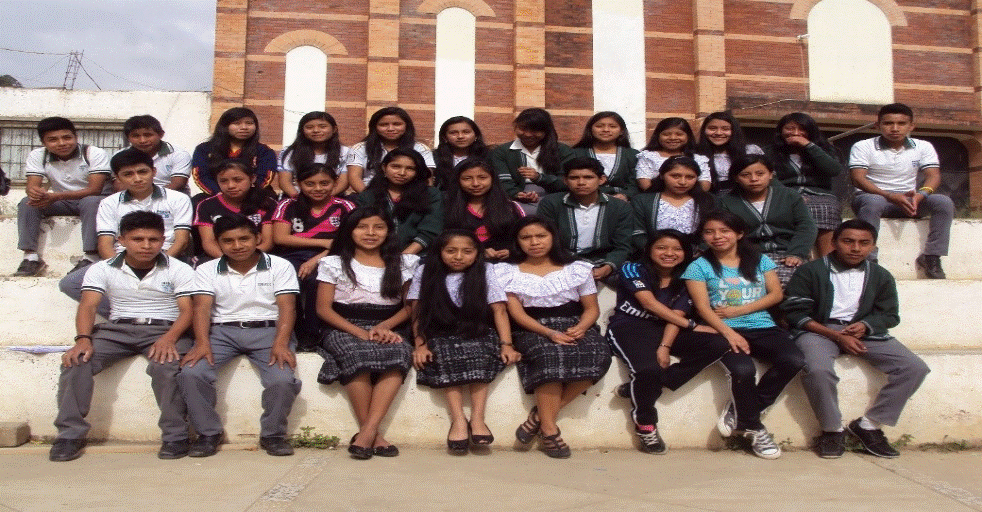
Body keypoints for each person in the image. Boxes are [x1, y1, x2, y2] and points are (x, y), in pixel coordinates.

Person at [50, 211, 195, 462]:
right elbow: (88, 305)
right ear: (122, 240)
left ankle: (176, 436)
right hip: (117, 329)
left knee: (166, 367)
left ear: (163, 241)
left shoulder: (179, 269)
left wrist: (170, 338)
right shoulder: (102, 268)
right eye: (138, 239)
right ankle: (69, 435)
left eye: (153, 239)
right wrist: (82, 338)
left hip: (165, 329)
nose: (146, 246)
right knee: (76, 362)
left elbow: (188, 310)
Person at [782, 219, 929, 459]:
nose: (856, 248)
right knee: (817, 369)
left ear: (873, 246)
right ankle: (832, 430)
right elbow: (795, 314)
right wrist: (836, 336)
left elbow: (890, 315)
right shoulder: (811, 270)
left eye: (864, 243)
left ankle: (869, 426)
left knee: (914, 368)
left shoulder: (880, 275)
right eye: (848, 241)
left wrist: (866, 325)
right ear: (834, 242)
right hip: (820, 330)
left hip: (862, 331)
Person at [682, 210, 805, 460]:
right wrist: (729, 333)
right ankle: (754, 428)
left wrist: (739, 310)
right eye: (709, 232)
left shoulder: (759, 260)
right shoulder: (698, 266)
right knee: (743, 370)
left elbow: (776, 295)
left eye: (724, 231)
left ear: (739, 234)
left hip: (763, 325)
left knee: (793, 360)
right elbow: (703, 308)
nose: (717, 236)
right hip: (722, 329)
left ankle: (743, 410)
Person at [179, 214, 302, 458]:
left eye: (244, 239)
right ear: (218, 243)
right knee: (191, 373)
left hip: (269, 330)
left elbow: (287, 307)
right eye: (228, 241)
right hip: (221, 332)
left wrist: (281, 343)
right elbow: (201, 308)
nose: (237, 246)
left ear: (258, 238)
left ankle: (273, 435)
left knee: (282, 379)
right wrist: (202, 342)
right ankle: (208, 433)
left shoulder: (280, 265)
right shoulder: (206, 269)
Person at [495, 216, 612, 458]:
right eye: (526, 237)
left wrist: (581, 327)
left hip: (574, 324)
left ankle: (538, 417)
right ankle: (549, 430)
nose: (534, 242)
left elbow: (592, 308)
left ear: (553, 237)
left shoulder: (577, 268)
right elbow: (516, 313)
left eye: (541, 236)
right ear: (517, 241)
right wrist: (549, 332)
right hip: (532, 327)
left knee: (597, 353)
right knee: (548, 356)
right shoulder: (507, 271)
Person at [607, 231, 730, 453]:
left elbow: (677, 315)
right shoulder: (632, 269)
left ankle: (649, 384)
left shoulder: (688, 277)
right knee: (647, 370)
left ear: (686, 253)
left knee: (718, 343)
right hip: (629, 327)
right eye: (661, 248)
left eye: (677, 249)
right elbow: (650, 304)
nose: (669, 253)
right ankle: (646, 426)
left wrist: (665, 346)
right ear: (649, 250)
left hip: (668, 328)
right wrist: (693, 326)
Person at [315, 207, 419, 459]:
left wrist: (384, 327)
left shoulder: (403, 263)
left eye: (378, 227)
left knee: (398, 354)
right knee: (357, 355)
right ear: (349, 231)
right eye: (362, 227)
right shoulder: (334, 263)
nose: (370, 233)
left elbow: (409, 307)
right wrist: (359, 332)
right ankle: (374, 435)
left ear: (389, 231)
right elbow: (323, 309)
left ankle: (367, 431)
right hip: (343, 324)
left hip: (388, 324)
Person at [409, 230, 521, 454]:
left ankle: (478, 418)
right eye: (451, 251)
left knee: (481, 351)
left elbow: (499, 309)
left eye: (467, 251)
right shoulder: (425, 271)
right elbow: (417, 311)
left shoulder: (486, 270)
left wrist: (506, 344)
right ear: (440, 252)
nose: (458, 257)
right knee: (444, 352)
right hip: (440, 330)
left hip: (476, 329)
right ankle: (458, 419)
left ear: (477, 253)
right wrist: (420, 344)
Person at [58, 148, 193, 318]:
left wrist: (158, 264)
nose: (137, 179)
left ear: (154, 171)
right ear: (118, 178)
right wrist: (121, 269)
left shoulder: (178, 199)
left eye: (142, 172)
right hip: (124, 257)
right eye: (128, 174)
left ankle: (157, 317)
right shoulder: (109, 203)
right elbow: (105, 243)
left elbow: (181, 241)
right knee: (70, 283)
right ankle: (126, 317)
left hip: (167, 256)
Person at [849, 103, 953, 279]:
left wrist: (920, 195)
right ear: (878, 125)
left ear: (911, 126)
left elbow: (933, 176)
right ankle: (869, 259)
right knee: (873, 201)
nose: (895, 128)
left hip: (908, 201)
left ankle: (932, 257)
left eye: (901, 123)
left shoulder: (923, 146)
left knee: (943, 202)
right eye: (888, 123)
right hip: (872, 198)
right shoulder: (863, 146)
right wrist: (889, 195)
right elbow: (858, 178)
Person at [272, 163, 355, 349]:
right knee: (289, 279)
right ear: (299, 183)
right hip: (293, 254)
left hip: (332, 255)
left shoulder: (345, 206)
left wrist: (316, 259)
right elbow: (280, 237)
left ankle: (312, 332)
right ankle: (294, 329)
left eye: (324, 183)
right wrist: (322, 242)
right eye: (310, 184)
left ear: (335, 182)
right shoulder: (288, 204)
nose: (317, 188)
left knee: (316, 280)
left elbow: (348, 240)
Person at [15, 116, 111, 276]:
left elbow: (95, 189)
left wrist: (56, 196)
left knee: (91, 201)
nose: (62, 143)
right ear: (43, 142)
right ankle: (30, 257)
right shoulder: (38, 155)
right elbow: (32, 185)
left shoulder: (93, 153)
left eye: (67, 137)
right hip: (63, 201)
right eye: (53, 140)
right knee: (28, 202)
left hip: (95, 201)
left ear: (76, 137)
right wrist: (35, 192)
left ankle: (91, 256)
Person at [718, 154, 816, 287]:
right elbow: (723, 230)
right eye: (745, 175)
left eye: (760, 174)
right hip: (749, 256)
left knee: (792, 283)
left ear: (770, 174)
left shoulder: (789, 196)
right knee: (748, 286)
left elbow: (807, 226)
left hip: (787, 254)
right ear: (736, 178)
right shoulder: (727, 202)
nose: (754, 179)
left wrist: (796, 253)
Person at [535, 157, 634, 282]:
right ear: (565, 180)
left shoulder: (620, 207)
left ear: (601, 179)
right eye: (574, 178)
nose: (581, 182)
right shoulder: (551, 203)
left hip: (604, 261)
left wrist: (608, 267)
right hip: (563, 261)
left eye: (588, 177)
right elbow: (546, 239)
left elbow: (623, 246)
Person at [767, 112, 845, 256]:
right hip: (784, 194)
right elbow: (769, 178)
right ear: (781, 131)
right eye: (790, 128)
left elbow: (834, 170)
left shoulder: (825, 150)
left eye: (802, 129)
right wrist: (790, 195)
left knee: (827, 208)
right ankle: (797, 256)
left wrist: (809, 146)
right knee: (792, 209)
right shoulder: (770, 152)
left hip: (820, 195)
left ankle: (827, 260)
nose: (796, 133)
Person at [356, 148, 443, 254]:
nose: (402, 173)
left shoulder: (431, 194)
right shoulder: (368, 196)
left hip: (418, 256)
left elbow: (431, 229)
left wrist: (405, 257)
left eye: (410, 168)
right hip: (376, 255)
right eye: (395, 167)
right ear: (384, 167)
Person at [489, 108, 575, 213]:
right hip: (513, 197)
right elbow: (502, 181)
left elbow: (567, 182)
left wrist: (539, 178)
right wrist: (517, 194)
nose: (528, 134)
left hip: (555, 196)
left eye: (535, 130)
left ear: (546, 131)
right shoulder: (503, 151)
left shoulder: (562, 150)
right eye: (523, 129)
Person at [194, 161, 277, 262]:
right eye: (223, 181)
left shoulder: (267, 203)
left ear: (252, 178)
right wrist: (229, 261)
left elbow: (267, 243)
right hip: (220, 257)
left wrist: (245, 259)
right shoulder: (206, 205)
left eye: (237, 180)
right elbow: (209, 243)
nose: (231, 186)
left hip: (258, 256)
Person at [444, 159, 524, 261]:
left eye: (482, 177)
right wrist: (478, 252)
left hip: (507, 263)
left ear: (492, 179)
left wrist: (512, 252)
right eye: (467, 178)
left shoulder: (511, 208)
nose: (475, 183)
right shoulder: (446, 208)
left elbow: (524, 237)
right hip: (464, 263)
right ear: (458, 181)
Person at [631, 155, 716, 250]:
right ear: (662, 175)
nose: (682, 182)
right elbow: (638, 234)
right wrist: (657, 252)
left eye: (690, 177)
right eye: (675, 176)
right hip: (654, 254)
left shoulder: (707, 201)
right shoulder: (643, 201)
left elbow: (712, 232)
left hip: (697, 254)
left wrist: (698, 252)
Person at [190, 107, 276, 199]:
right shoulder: (205, 149)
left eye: (249, 123)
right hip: (215, 195)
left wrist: (244, 195)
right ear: (224, 126)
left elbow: (264, 177)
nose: (244, 127)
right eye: (237, 123)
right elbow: (201, 176)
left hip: (254, 196)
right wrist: (220, 194)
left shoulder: (264, 151)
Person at [346, 106, 435, 194]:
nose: (390, 129)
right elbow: (354, 178)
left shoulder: (421, 149)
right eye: (384, 125)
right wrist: (369, 198)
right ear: (374, 127)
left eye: (397, 124)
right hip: (370, 195)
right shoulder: (360, 148)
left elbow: (427, 179)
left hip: (412, 197)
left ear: (407, 126)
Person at [278, 111, 350, 198]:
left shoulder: (345, 152)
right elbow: (285, 182)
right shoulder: (290, 152)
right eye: (309, 127)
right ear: (302, 130)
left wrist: (322, 200)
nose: (316, 130)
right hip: (296, 198)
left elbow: (343, 182)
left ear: (334, 129)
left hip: (333, 198)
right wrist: (300, 199)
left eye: (322, 126)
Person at [571, 111, 639, 200]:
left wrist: (625, 195)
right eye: (599, 126)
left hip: (622, 202)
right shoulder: (576, 153)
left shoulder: (632, 154)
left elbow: (635, 183)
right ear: (590, 129)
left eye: (612, 126)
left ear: (622, 131)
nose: (606, 130)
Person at [120, 115, 192, 193]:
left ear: (161, 134)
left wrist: (147, 196)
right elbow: (119, 185)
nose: (142, 140)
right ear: (128, 138)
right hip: (133, 197)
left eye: (148, 135)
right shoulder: (120, 156)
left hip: (171, 197)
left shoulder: (178, 154)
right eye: (136, 136)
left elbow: (178, 184)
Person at [695, 111, 763, 193]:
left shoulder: (750, 150)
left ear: (734, 131)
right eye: (712, 128)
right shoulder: (695, 154)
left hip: (745, 196)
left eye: (725, 129)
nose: (718, 133)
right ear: (704, 130)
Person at [635, 117, 710, 192]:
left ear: (688, 136)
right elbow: (645, 184)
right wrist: (665, 197)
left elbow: (705, 185)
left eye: (679, 134)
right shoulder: (648, 157)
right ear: (658, 136)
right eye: (666, 134)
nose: (673, 138)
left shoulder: (697, 159)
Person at [433, 116, 489, 190]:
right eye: (453, 133)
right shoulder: (435, 157)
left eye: (466, 132)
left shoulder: (488, 156)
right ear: (444, 137)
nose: (460, 136)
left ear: (476, 135)